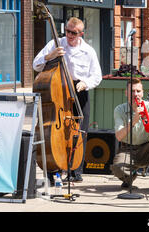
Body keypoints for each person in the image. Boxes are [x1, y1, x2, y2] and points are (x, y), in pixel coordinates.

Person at [33, 17, 102, 183]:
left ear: (81, 34)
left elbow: (97, 76)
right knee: (54, 131)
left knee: (79, 131)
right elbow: (36, 64)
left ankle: (75, 170)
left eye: (74, 33)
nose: (69, 35)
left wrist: (86, 83)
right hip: (58, 89)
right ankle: (54, 168)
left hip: (79, 90)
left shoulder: (89, 51)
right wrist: (50, 56)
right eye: (68, 31)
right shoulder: (55, 43)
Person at [111, 78, 149, 191]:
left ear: (142, 93)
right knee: (117, 169)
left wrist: (148, 118)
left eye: (138, 91)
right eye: (132, 91)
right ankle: (130, 177)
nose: (135, 94)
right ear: (126, 93)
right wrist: (134, 120)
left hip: (147, 147)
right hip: (127, 149)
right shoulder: (119, 109)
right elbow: (119, 136)